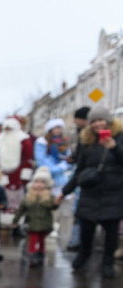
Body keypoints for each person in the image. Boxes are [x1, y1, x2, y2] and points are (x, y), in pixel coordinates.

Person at [58, 104, 123, 279]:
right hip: (90, 192)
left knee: (110, 232)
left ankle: (107, 262)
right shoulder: (86, 141)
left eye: (101, 120)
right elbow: (79, 169)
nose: (97, 124)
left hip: (114, 192)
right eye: (94, 121)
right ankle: (84, 254)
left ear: (108, 121)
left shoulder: (119, 137)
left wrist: (114, 147)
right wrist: (65, 191)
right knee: (87, 229)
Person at [0, 116, 34, 227]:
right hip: (1, 173)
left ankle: (18, 224)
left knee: (18, 197)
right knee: (2, 197)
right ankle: (2, 222)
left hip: (18, 172)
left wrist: (25, 175)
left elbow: (28, 158)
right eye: (6, 129)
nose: (8, 131)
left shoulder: (24, 140)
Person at [12, 167, 59, 267]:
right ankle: (33, 256)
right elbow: (21, 209)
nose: (39, 184)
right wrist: (15, 220)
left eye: (42, 182)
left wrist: (56, 202)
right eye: (37, 181)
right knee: (33, 240)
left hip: (44, 223)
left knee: (41, 240)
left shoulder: (49, 196)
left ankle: (40, 254)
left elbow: (52, 206)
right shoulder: (28, 196)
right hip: (32, 223)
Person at [63, 106, 92, 251]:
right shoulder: (81, 134)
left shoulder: (88, 136)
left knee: (81, 210)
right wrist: (73, 159)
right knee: (79, 210)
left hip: (85, 177)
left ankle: (80, 242)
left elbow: (84, 158)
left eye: (77, 118)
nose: (75, 121)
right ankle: (79, 241)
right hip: (82, 174)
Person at [34, 118, 70, 195]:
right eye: (56, 128)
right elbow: (41, 160)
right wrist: (58, 168)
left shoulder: (64, 142)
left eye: (59, 128)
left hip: (62, 179)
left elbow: (69, 157)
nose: (58, 130)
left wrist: (65, 165)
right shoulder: (42, 142)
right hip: (46, 178)